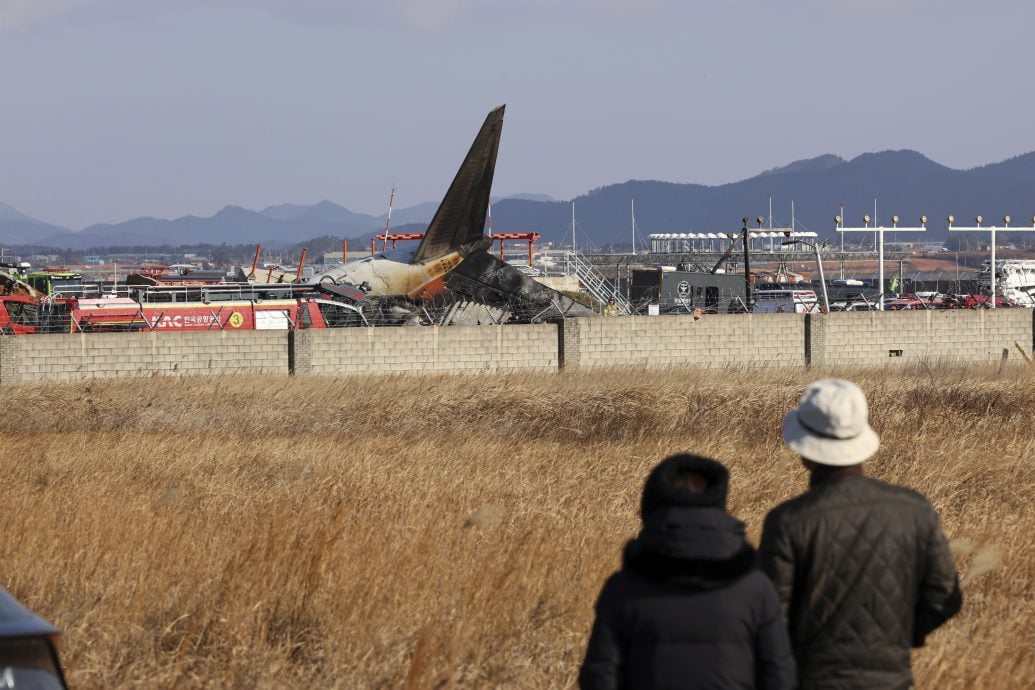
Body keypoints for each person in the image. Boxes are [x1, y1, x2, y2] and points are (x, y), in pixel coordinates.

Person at [759, 379, 962, 690]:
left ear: (806, 451)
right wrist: (896, 637)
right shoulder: (915, 510)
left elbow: (771, 617)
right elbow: (944, 596)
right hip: (892, 679)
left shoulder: (787, 521)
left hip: (813, 680)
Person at [579, 454, 796, 690]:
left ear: (650, 508)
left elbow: (599, 676)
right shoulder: (756, 588)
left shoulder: (623, 588)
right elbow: (779, 677)